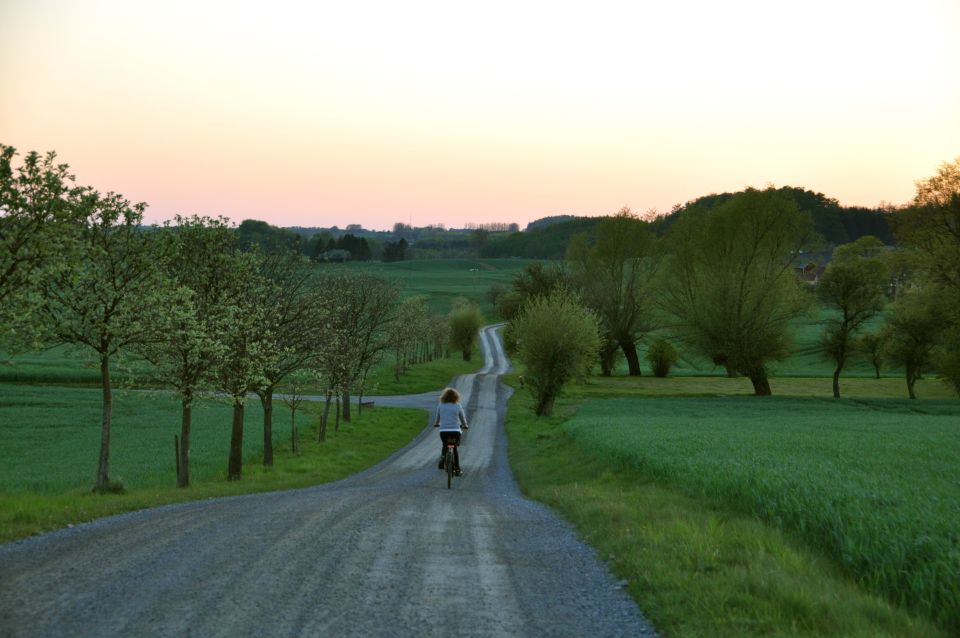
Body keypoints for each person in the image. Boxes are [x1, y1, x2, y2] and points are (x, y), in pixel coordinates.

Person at [433, 387, 469, 476]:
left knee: (445, 446)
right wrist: (465, 425)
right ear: (456, 397)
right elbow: (462, 418)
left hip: (444, 431)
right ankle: (457, 469)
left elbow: (438, 417)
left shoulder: (441, 405)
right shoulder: (458, 405)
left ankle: (443, 457)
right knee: (455, 449)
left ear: (444, 396)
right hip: (455, 431)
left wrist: (436, 424)